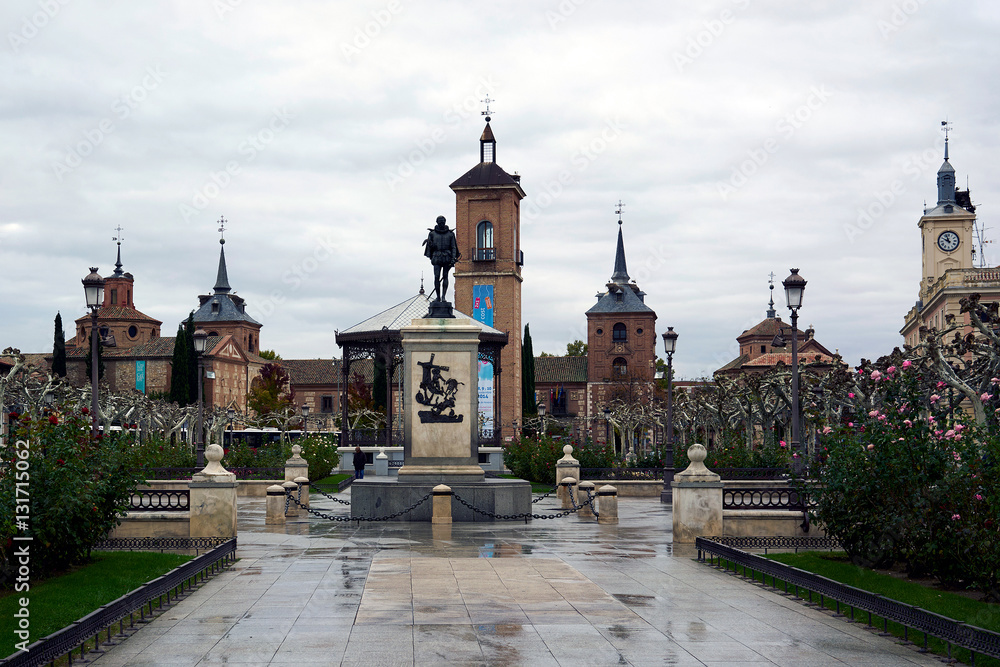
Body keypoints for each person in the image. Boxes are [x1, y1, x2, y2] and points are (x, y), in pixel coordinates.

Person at [422, 215, 460, 302]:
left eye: (443, 222)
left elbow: (453, 247)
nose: (441, 224)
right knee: (436, 277)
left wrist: (453, 257)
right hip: (437, 257)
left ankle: (443, 297)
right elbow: (430, 248)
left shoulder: (450, 234)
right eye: (440, 222)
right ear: (437, 222)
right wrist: (430, 246)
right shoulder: (432, 234)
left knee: (445, 276)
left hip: (447, 257)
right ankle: (438, 297)